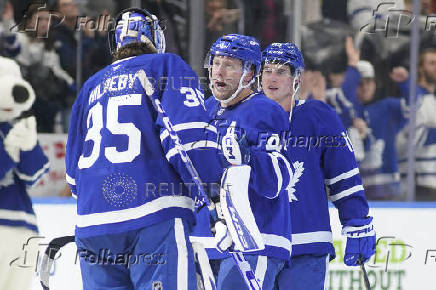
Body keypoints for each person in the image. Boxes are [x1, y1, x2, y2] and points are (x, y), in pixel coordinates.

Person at [66, 8, 223, 289]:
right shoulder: (166, 65)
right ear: (157, 39)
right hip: (153, 215)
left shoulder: (89, 87)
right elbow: (188, 141)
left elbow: (73, 176)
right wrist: (217, 197)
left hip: (92, 224)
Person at [261, 43, 376, 289]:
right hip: (260, 245)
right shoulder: (246, 116)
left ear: (297, 78)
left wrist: (357, 220)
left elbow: (343, 175)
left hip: (307, 242)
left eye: (281, 71)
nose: (272, 78)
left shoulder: (317, 115)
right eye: (267, 70)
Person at [194, 34, 293, 290]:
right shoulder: (205, 111)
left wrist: (249, 157)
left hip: (256, 239)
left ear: (249, 74)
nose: (219, 71)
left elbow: (278, 181)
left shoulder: (265, 110)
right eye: (216, 63)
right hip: (212, 240)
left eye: (229, 65)